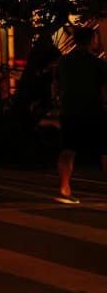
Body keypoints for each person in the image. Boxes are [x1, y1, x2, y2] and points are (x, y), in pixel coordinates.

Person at [55, 26, 107, 204]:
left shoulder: (63, 62)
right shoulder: (98, 63)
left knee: (68, 150)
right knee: (104, 149)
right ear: (92, 40)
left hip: (70, 109)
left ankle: (64, 187)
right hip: (94, 110)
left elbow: (56, 86)